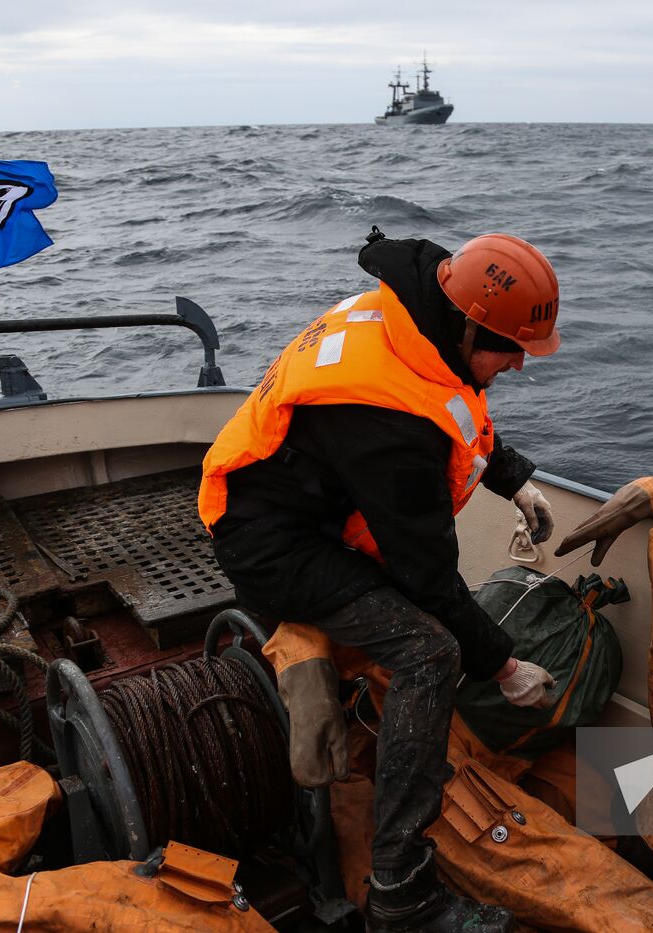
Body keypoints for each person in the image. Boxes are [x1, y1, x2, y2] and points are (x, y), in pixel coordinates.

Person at [198, 226, 562, 933]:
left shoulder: (415, 320)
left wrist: (513, 478)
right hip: (270, 542)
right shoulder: (385, 424)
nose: (520, 364)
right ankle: (401, 887)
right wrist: (505, 666)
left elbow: (450, 407)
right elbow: (430, 579)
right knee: (432, 651)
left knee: (425, 629)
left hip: (310, 504)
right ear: (469, 325)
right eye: (511, 348)